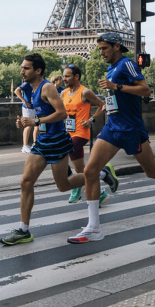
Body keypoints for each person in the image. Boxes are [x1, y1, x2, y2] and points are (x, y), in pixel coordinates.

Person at [66, 34, 155, 244]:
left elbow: (145, 90)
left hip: (130, 128)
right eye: (99, 49)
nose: (101, 53)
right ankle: (94, 227)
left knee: (151, 170)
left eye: (104, 48)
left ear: (117, 46)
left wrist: (116, 87)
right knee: (90, 171)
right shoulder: (112, 68)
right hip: (113, 126)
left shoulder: (126, 64)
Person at [1, 53, 100, 245]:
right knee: (25, 182)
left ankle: (100, 174)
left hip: (57, 141)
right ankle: (24, 230)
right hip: (42, 142)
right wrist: (24, 122)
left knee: (63, 186)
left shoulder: (47, 88)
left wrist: (36, 121)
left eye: (26, 68)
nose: (22, 71)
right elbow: (38, 113)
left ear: (38, 70)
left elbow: (61, 113)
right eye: (22, 67)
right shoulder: (29, 88)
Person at [62, 64, 107, 204]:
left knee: (62, 152)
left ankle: (75, 184)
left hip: (81, 133)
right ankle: (100, 193)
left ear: (77, 77)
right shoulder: (63, 93)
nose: (65, 79)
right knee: (80, 169)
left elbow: (103, 105)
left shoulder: (85, 92)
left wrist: (91, 119)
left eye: (68, 76)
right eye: (63, 76)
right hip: (68, 132)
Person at [14, 79, 37, 154]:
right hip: (28, 107)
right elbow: (17, 90)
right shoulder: (27, 83)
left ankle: (35, 143)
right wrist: (24, 101)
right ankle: (25, 146)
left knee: (37, 125)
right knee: (28, 126)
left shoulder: (38, 82)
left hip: (35, 107)